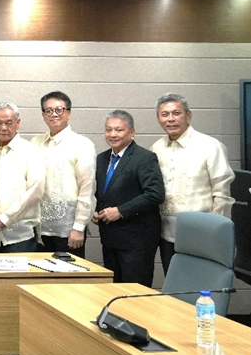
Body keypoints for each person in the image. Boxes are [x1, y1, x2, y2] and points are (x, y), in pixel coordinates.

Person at [151, 93, 235, 276]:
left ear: (189, 116)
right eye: (165, 114)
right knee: (175, 288)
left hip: (202, 235)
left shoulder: (210, 146)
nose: (171, 119)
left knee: (200, 290)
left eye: (176, 113)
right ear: (158, 119)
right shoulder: (156, 148)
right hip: (167, 235)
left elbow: (222, 194)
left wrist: (215, 233)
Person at [92, 110, 164, 287]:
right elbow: (103, 193)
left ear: (132, 133)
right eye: (108, 130)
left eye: (119, 130)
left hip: (136, 240)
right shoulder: (102, 159)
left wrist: (121, 211)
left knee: (134, 293)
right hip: (110, 237)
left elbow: (155, 194)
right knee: (114, 291)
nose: (112, 134)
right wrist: (95, 211)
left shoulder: (144, 158)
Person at [31, 91, 96, 259]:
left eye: (59, 110)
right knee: (39, 280)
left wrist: (79, 227)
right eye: (48, 110)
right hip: (38, 228)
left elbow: (87, 189)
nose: (53, 114)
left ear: (69, 112)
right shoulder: (35, 143)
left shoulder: (82, 144)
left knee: (67, 280)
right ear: (43, 115)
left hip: (68, 230)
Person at [0, 102, 44, 254]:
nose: (3, 128)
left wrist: (4, 218)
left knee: (19, 278)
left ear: (18, 123)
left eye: (9, 123)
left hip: (19, 237)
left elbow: (36, 191)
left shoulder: (32, 151)